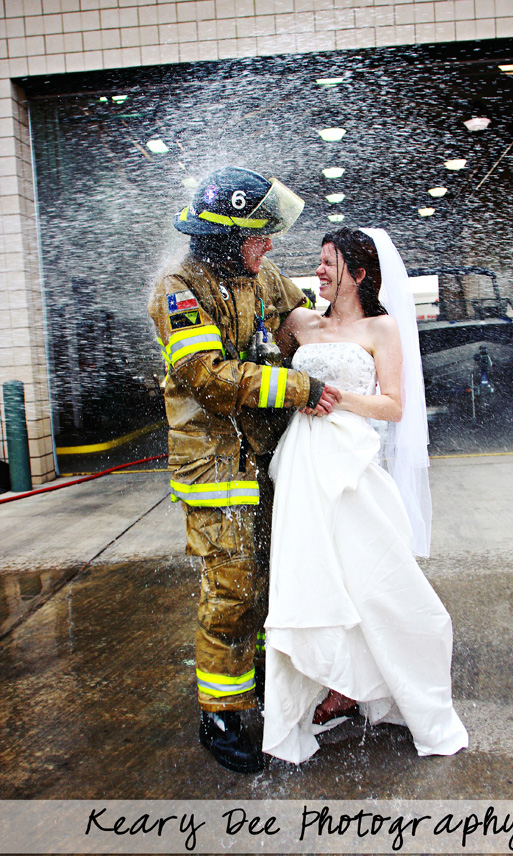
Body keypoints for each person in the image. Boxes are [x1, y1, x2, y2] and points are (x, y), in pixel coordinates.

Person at [147, 167, 340, 774]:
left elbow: (301, 324)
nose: (271, 246)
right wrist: (300, 386)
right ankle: (221, 717)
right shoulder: (178, 289)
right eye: (260, 234)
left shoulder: (265, 275)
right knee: (232, 592)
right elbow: (206, 376)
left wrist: (355, 338)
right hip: (216, 468)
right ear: (228, 236)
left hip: (268, 460)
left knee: (272, 581)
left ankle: (258, 685)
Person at [262, 227, 469, 764]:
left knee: (371, 579)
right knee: (313, 577)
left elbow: (394, 406)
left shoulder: (382, 328)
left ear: (358, 272)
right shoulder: (300, 322)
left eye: (330, 263)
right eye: (319, 262)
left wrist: (330, 395)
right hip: (303, 463)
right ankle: (330, 686)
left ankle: (381, 684)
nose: (320, 271)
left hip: (352, 463)